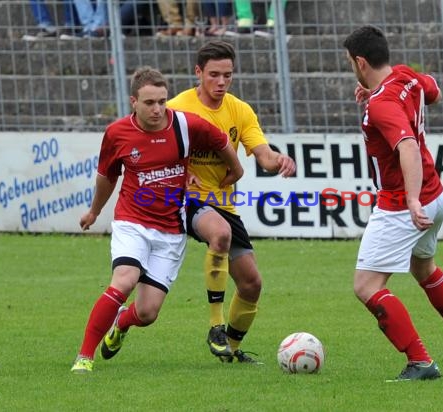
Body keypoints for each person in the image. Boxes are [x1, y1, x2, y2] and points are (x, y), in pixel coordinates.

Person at [70, 66, 243, 373]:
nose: (158, 109)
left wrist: (236, 169)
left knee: (148, 313)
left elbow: (220, 141)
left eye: (162, 101)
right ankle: (84, 357)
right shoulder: (117, 133)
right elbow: (107, 178)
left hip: (170, 230)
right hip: (131, 222)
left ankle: (121, 322)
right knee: (124, 279)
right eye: (150, 102)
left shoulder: (185, 125)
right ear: (133, 101)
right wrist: (95, 211)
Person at [342, 25, 443, 381]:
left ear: (361, 62)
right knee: (425, 269)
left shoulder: (381, 104)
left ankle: (420, 361)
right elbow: (433, 90)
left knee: (366, 286)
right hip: (436, 196)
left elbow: (405, 144)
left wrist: (409, 199)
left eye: (349, 63)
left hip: (402, 204)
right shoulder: (406, 76)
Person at [166, 40, 296, 363]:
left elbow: (263, 155)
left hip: (224, 203)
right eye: (214, 75)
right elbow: (157, 149)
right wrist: (180, 175)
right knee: (220, 233)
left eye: (228, 75)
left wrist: (279, 160)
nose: (221, 83)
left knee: (252, 284)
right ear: (198, 72)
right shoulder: (177, 108)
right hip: (187, 199)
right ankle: (215, 326)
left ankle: (233, 350)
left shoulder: (240, 110)